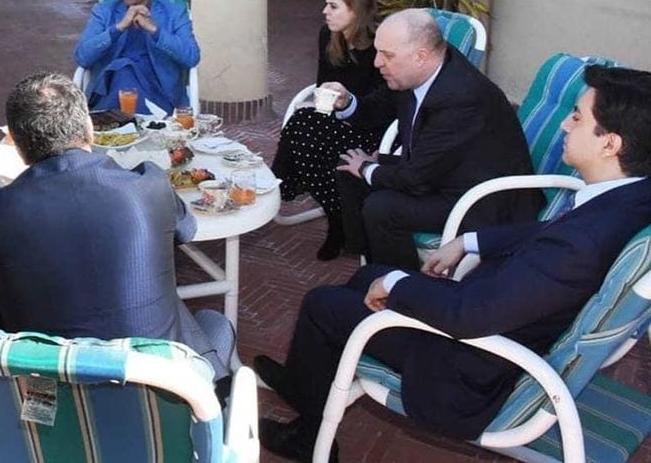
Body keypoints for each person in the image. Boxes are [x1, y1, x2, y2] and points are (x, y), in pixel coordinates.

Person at [254, 64, 651, 461]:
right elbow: (547, 236)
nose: (565, 124)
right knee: (368, 274)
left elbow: (469, 313)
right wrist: (470, 241)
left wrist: (396, 287)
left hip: (468, 368)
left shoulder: (581, 244)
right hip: (497, 315)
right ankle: (306, 381)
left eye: (578, 117)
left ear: (609, 144)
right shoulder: (626, 201)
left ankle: (309, 437)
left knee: (323, 305)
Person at [0, 73, 234, 381]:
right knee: (214, 324)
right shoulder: (147, 185)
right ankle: (224, 402)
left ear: (17, 143)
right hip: (163, 393)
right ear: (89, 129)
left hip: (56, 394)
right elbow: (186, 231)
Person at [327, 8, 543, 269]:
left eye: (387, 55)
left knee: (381, 208)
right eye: (378, 52)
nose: (377, 63)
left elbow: (414, 179)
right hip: (444, 170)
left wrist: (367, 168)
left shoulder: (461, 98)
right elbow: (376, 108)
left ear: (420, 56)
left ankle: (399, 287)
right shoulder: (419, 71)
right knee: (346, 166)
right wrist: (347, 102)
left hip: (480, 199)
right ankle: (371, 263)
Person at [271, 0, 387, 261]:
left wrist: (337, 111)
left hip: (372, 127)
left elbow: (382, 104)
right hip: (338, 118)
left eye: (334, 6)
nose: (325, 12)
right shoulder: (328, 36)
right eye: (326, 4)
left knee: (304, 130)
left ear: (356, 10)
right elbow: (323, 84)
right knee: (305, 123)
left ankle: (281, 184)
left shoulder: (378, 44)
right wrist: (320, 111)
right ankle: (336, 215)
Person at [74, 0, 200, 115]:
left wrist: (155, 31)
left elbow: (191, 57)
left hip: (159, 92)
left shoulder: (174, 11)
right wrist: (117, 28)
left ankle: (123, 127)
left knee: (127, 72)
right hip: (111, 92)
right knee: (124, 70)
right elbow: (82, 56)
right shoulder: (105, 11)